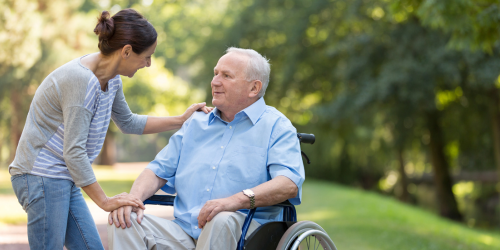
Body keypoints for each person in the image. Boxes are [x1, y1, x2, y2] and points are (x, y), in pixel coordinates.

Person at [9, 8, 212, 250]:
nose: (148, 64)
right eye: (147, 56)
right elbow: (73, 152)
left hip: (65, 177)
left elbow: (128, 122)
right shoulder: (80, 80)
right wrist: (105, 201)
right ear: (126, 51)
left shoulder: (111, 79)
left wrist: (181, 120)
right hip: (40, 175)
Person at [107, 47, 305, 250]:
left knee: (221, 218)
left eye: (226, 76)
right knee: (123, 221)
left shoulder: (276, 126)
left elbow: (288, 183)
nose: (215, 81)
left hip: (246, 235)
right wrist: (133, 200)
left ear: (254, 88)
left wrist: (234, 201)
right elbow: (157, 170)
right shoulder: (196, 123)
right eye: (215, 73)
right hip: (184, 232)